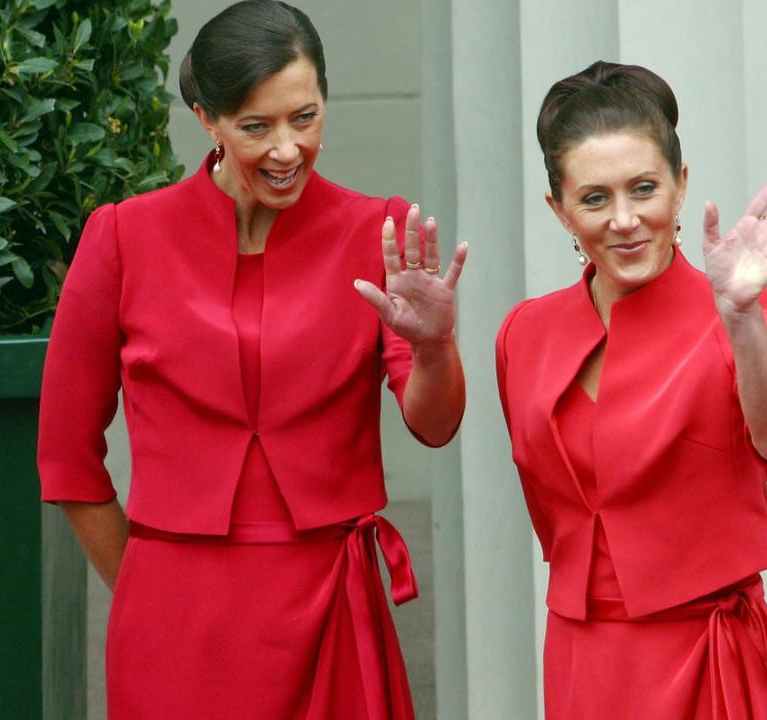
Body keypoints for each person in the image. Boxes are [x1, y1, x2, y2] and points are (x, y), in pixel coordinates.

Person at [38, 1, 467, 717]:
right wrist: (146, 579)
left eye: (305, 117)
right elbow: (65, 457)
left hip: (330, 608)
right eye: (255, 127)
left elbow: (436, 423)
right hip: (173, 624)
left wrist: (432, 345)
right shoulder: (123, 237)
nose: (287, 149)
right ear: (206, 118)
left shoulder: (379, 230)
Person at [496, 60, 767, 718]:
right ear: (558, 210)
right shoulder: (524, 333)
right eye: (594, 198)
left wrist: (741, 320)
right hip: (584, 657)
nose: (624, 219)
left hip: (708, 657)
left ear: (680, 187)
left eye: (643, 188)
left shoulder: (747, 311)